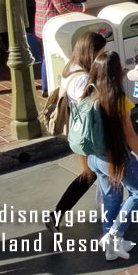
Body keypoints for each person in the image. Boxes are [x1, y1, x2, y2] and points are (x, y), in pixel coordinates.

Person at [82, 51, 138, 261]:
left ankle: (112, 248)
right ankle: (113, 234)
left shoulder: (88, 93)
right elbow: (130, 135)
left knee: (111, 198)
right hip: (115, 157)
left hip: (94, 157)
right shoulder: (118, 99)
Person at [47, 30, 107, 230]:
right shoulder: (82, 78)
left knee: (94, 173)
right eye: (101, 52)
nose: (102, 56)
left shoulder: (71, 67)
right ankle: (57, 214)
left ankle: (57, 214)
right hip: (89, 133)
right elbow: (90, 107)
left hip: (79, 130)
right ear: (91, 52)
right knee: (92, 173)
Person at [34, 0, 86, 96]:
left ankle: (47, 87)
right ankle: (53, 87)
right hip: (55, 28)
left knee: (47, 58)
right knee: (59, 57)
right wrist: (82, 6)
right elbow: (63, 7)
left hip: (43, 26)